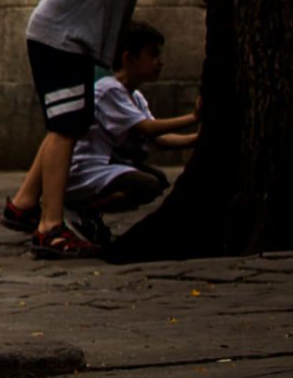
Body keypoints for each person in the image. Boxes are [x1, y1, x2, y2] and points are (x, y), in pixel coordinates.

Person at [4, 0, 210, 259]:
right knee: (65, 128)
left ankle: (27, 205)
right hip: (60, 38)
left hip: (69, 42)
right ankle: (49, 225)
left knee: (68, 124)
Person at [64, 20, 195, 233]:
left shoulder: (135, 96)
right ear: (128, 58)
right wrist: (194, 117)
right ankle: (80, 210)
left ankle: (88, 211)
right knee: (146, 185)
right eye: (152, 55)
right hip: (87, 169)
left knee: (159, 181)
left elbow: (160, 139)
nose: (160, 62)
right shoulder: (109, 90)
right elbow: (148, 129)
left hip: (107, 165)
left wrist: (197, 138)